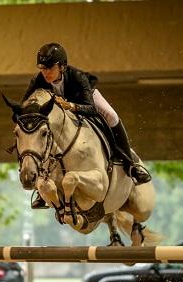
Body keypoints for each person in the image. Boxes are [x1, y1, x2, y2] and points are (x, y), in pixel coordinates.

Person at [22, 42, 151, 209]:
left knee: (111, 116)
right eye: (42, 68)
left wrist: (72, 107)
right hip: (61, 116)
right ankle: (42, 189)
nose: (45, 72)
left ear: (62, 66)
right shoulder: (38, 80)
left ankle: (130, 165)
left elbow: (90, 108)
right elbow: (25, 106)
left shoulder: (77, 77)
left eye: (49, 68)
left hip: (85, 101)